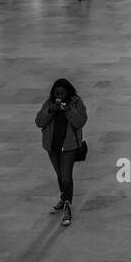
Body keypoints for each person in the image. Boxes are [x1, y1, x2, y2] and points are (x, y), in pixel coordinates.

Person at [35, 78, 88, 226]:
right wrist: (50, 111)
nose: (59, 96)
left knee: (66, 177)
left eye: (62, 93)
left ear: (68, 93)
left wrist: (68, 110)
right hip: (53, 146)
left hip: (68, 146)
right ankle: (64, 197)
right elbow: (39, 122)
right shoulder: (49, 104)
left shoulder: (76, 103)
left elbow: (80, 122)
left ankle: (67, 205)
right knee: (60, 175)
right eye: (57, 93)